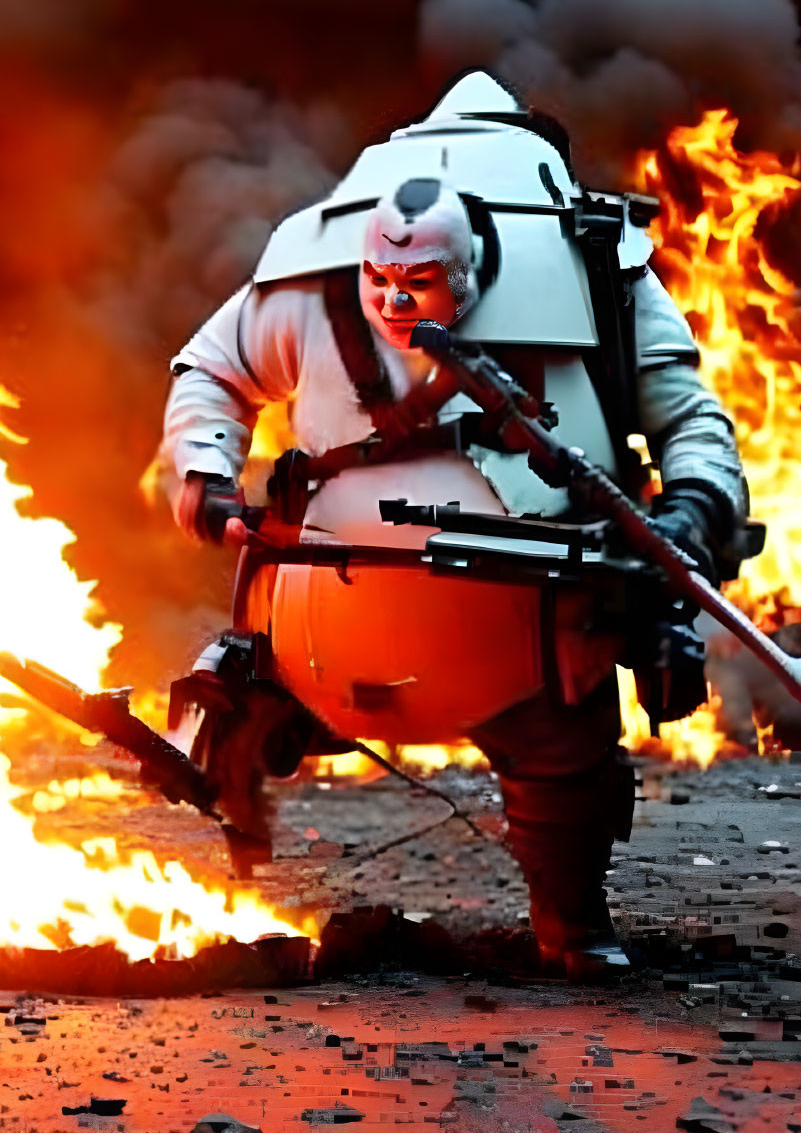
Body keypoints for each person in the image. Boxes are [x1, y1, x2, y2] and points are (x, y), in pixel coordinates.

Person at [158, 72, 748, 978]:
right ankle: (563, 926)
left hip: (499, 619)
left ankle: (569, 918)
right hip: (350, 626)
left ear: (470, 273)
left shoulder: (594, 266)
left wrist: (691, 512)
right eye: (380, 282)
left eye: (420, 283)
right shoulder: (323, 281)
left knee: (562, 749)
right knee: (242, 705)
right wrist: (205, 477)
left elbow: (687, 420)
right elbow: (210, 373)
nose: (394, 304)